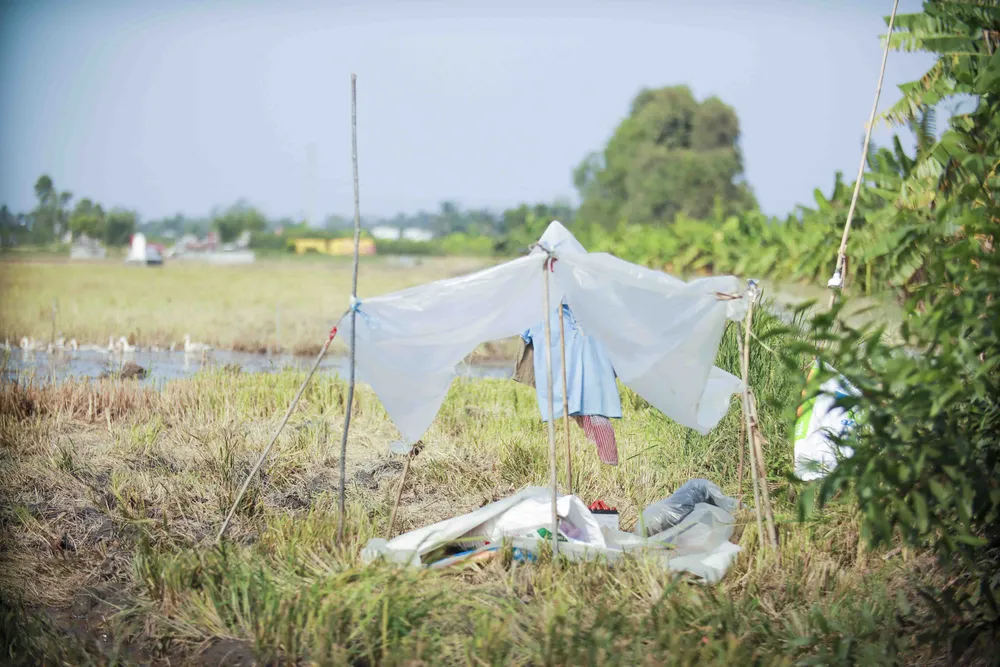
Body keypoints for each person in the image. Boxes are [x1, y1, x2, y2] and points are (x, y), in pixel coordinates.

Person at [515, 302, 621, 465]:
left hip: (578, 370)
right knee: (584, 405)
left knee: (588, 407)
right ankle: (601, 454)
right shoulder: (541, 309)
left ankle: (603, 456)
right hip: (565, 372)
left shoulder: (588, 306)